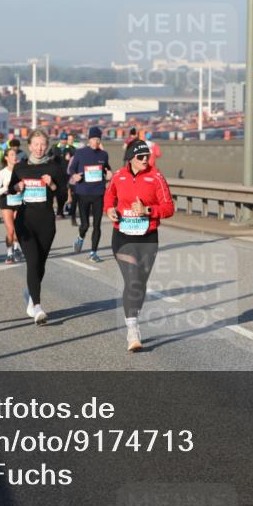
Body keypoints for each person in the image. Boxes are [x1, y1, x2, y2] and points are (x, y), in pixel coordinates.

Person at [103, 139, 175, 352]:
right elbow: (109, 196)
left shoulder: (156, 177)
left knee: (140, 284)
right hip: (122, 236)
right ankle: (132, 329)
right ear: (130, 159)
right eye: (140, 157)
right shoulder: (119, 175)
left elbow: (169, 208)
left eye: (147, 156)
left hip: (148, 237)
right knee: (132, 280)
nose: (145, 160)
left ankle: (133, 320)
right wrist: (109, 209)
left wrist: (148, 211)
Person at [8, 129, 66, 325]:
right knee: (32, 261)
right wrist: (16, 188)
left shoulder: (54, 168)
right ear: (30, 145)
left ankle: (31, 295)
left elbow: (64, 196)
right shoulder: (20, 168)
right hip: (25, 222)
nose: (40, 148)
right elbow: (10, 193)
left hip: (46, 222)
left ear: (47, 146)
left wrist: (52, 186)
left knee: (40, 264)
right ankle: (39, 307)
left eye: (43, 144)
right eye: (36, 144)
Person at [69, 126, 112, 263]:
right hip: (83, 193)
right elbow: (71, 168)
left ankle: (93, 253)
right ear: (89, 140)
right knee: (85, 225)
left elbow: (107, 169)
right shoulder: (81, 153)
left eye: (98, 139)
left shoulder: (104, 154)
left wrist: (109, 174)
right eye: (94, 139)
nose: (96, 142)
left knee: (97, 225)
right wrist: (74, 176)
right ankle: (80, 238)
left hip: (98, 193)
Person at [0, 146, 24, 264]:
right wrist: (6, 188)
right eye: (12, 155)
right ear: (6, 158)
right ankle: (10, 252)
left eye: (16, 155)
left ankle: (17, 248)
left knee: (18, 229)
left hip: (19, 201)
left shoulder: (21, 170)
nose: (15, 157)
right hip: (6, 202)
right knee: (10, 230)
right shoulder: (2, 173)